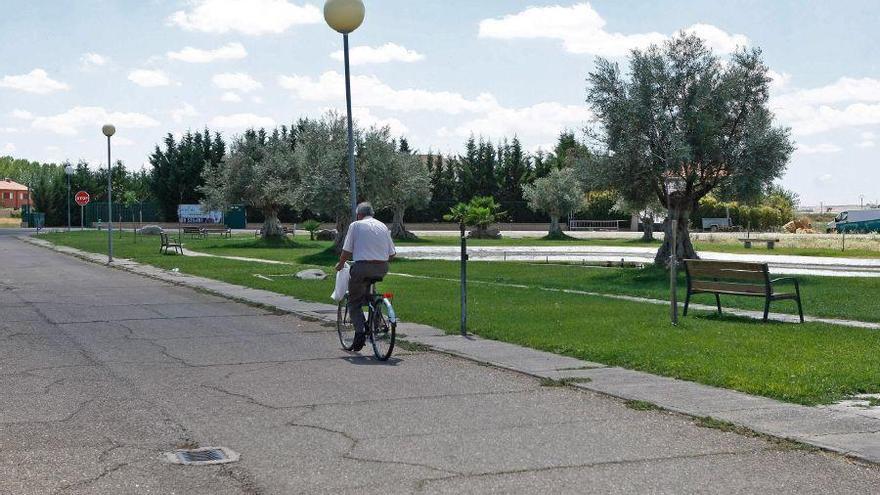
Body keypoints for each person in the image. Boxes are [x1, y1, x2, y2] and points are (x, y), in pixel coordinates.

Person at [335, 202, 396, 351]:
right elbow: (392, 254)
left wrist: (341, 264)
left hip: (362, 267)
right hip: (382, 267)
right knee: (370, 294)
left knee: (354, 302)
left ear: (358, 214)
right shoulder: (382, 226)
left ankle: (360, 332)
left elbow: (347, 250)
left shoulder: (355, 225)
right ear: (372, 213)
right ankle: (376, 319)